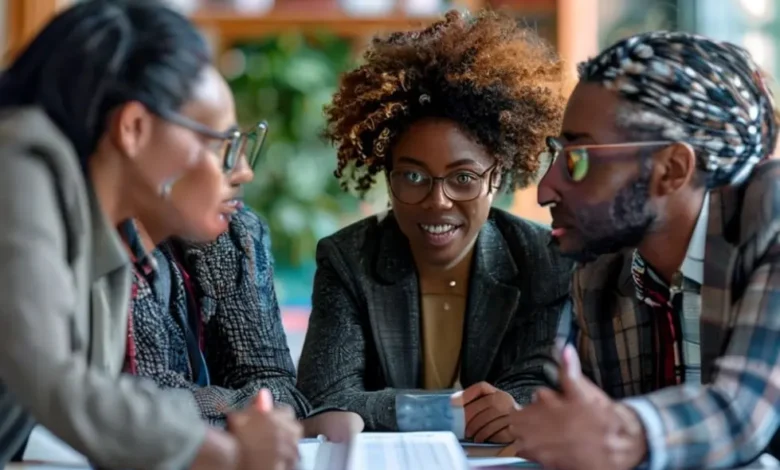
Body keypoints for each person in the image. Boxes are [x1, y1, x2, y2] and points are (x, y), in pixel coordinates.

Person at [0, 1, 301, 469]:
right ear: (135, 128)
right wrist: (226, 454)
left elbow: (101, 396)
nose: (242, 171)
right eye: (218, 143)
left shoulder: (109, 229)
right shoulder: (17, 167)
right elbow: (55, 378)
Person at [297, 10, 572, 443]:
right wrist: (447, 411)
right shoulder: (348, 258)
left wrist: (382, 408)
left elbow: (532, 392)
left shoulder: (543, 260)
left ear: (496, 178)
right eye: (413, 176)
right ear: (387, 177)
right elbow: (323, 397)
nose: (437, 200)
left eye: (463, 178)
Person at [508, 31, 780, 470]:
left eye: (578, 158)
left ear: (672, 169)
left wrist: (625, 435)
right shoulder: (599, 271)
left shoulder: (771, 220)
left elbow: (742, 414)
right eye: (556, 155)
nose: (545, 189)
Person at [125, 121, 364, 441]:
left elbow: (280, 391)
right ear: (139, 137)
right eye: (221, 146)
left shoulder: (236, 235)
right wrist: (248, 416)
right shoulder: (104, 257)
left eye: (241, 142)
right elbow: (140, 412)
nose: (244, 171)